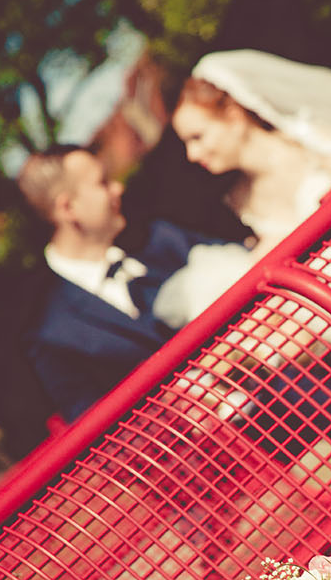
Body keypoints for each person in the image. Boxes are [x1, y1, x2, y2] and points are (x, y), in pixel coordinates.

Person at [152, 50, 331, 328]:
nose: (192, 153)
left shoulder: (310, 140)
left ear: (234, 116)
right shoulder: (240, 201)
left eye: (198, 137)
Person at [17, 146, 230, 422]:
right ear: (68, 208)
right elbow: (96, 430)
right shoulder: (49, 333)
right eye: (102, 183)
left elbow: (243, 265)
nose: (117, 188)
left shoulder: (160, 237)